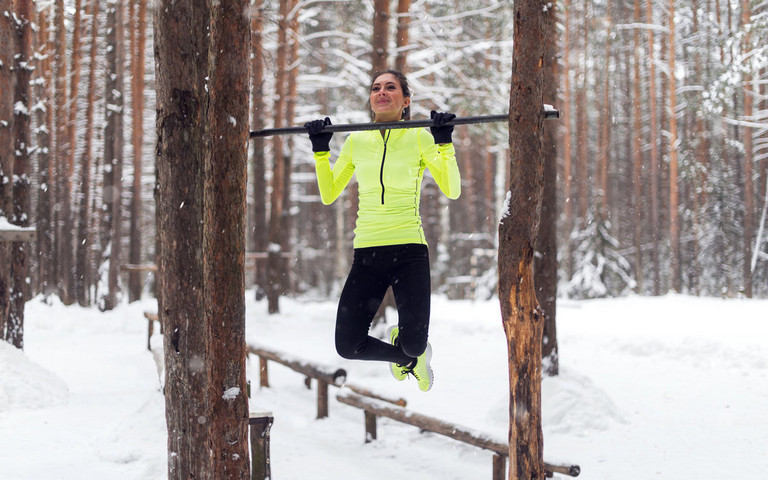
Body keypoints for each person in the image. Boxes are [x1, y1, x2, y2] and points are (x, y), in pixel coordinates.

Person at [304, 69, 460, 392]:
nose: (382, 92)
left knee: (415, 343)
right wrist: (321, 151)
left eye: (391, 87)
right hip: (368, 254)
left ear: (405, 101)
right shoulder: (357, 140)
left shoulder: (419, 136)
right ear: (371, 99)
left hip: (409, 252)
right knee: (348, 344)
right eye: (376, 88)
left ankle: (412, 352)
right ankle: (405, 360)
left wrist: (444, 142)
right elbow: (329, 193)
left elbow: (452, 188)